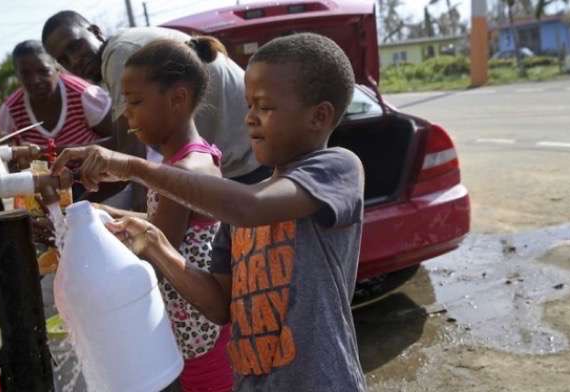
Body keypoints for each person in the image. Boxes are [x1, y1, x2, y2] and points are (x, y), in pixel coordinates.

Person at [51, 33, 367, 391]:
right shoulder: (240, 205)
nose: (249, 118)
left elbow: (251, 208)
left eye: (264, 107)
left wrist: (132, 166)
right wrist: (155, 244)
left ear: (319, 116)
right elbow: (219, 305)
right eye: (249, 105)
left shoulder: (336, 168)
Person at [95, 38, 234, 392]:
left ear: (178, 98)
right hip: (191, 326)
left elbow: (154, 243)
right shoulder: (179, 163)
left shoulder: (187, 169)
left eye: (136, 101)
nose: (127, 113)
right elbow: (158, 222)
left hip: (203, 330)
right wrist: (97, 211)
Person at [41, 10, 267, 185]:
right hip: (242, 155)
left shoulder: (120, 55)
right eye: (64, 59)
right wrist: (49, 154)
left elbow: (129, 154)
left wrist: (75, 191)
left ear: (96, 31)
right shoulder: (119, 52)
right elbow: (125, 147)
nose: (74, 60)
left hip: (250, 160)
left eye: (76, 46)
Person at [0, 40, 112, 150]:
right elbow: (9, 158)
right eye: (25, 74)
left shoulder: (84, 95)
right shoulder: (10, 112)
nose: (35, 80)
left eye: (43, 71)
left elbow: (118, 139)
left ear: (57, 68)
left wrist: (47, 153)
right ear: (17, 76)